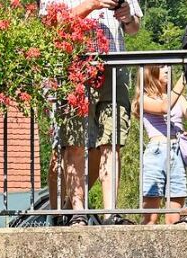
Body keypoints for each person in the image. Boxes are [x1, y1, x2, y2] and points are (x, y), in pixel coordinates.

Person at [43, 0, 141, 227]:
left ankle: (110, 213)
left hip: (114, 68)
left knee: (113, 141)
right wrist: (92, 4)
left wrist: (128, 17)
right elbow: (52, 24)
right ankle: (77, 212)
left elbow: (135, 27)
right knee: (75, 143)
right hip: (74, 69)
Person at [133, 64, 187, 225]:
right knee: (150, 217)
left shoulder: (176, 97)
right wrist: (184, 79)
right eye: (161, 67)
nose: (167, 69)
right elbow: (164, 107)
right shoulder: (144, 99)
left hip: (177, 152)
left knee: (175, 216)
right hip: (156, 152)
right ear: (150, 72)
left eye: (168, 66)